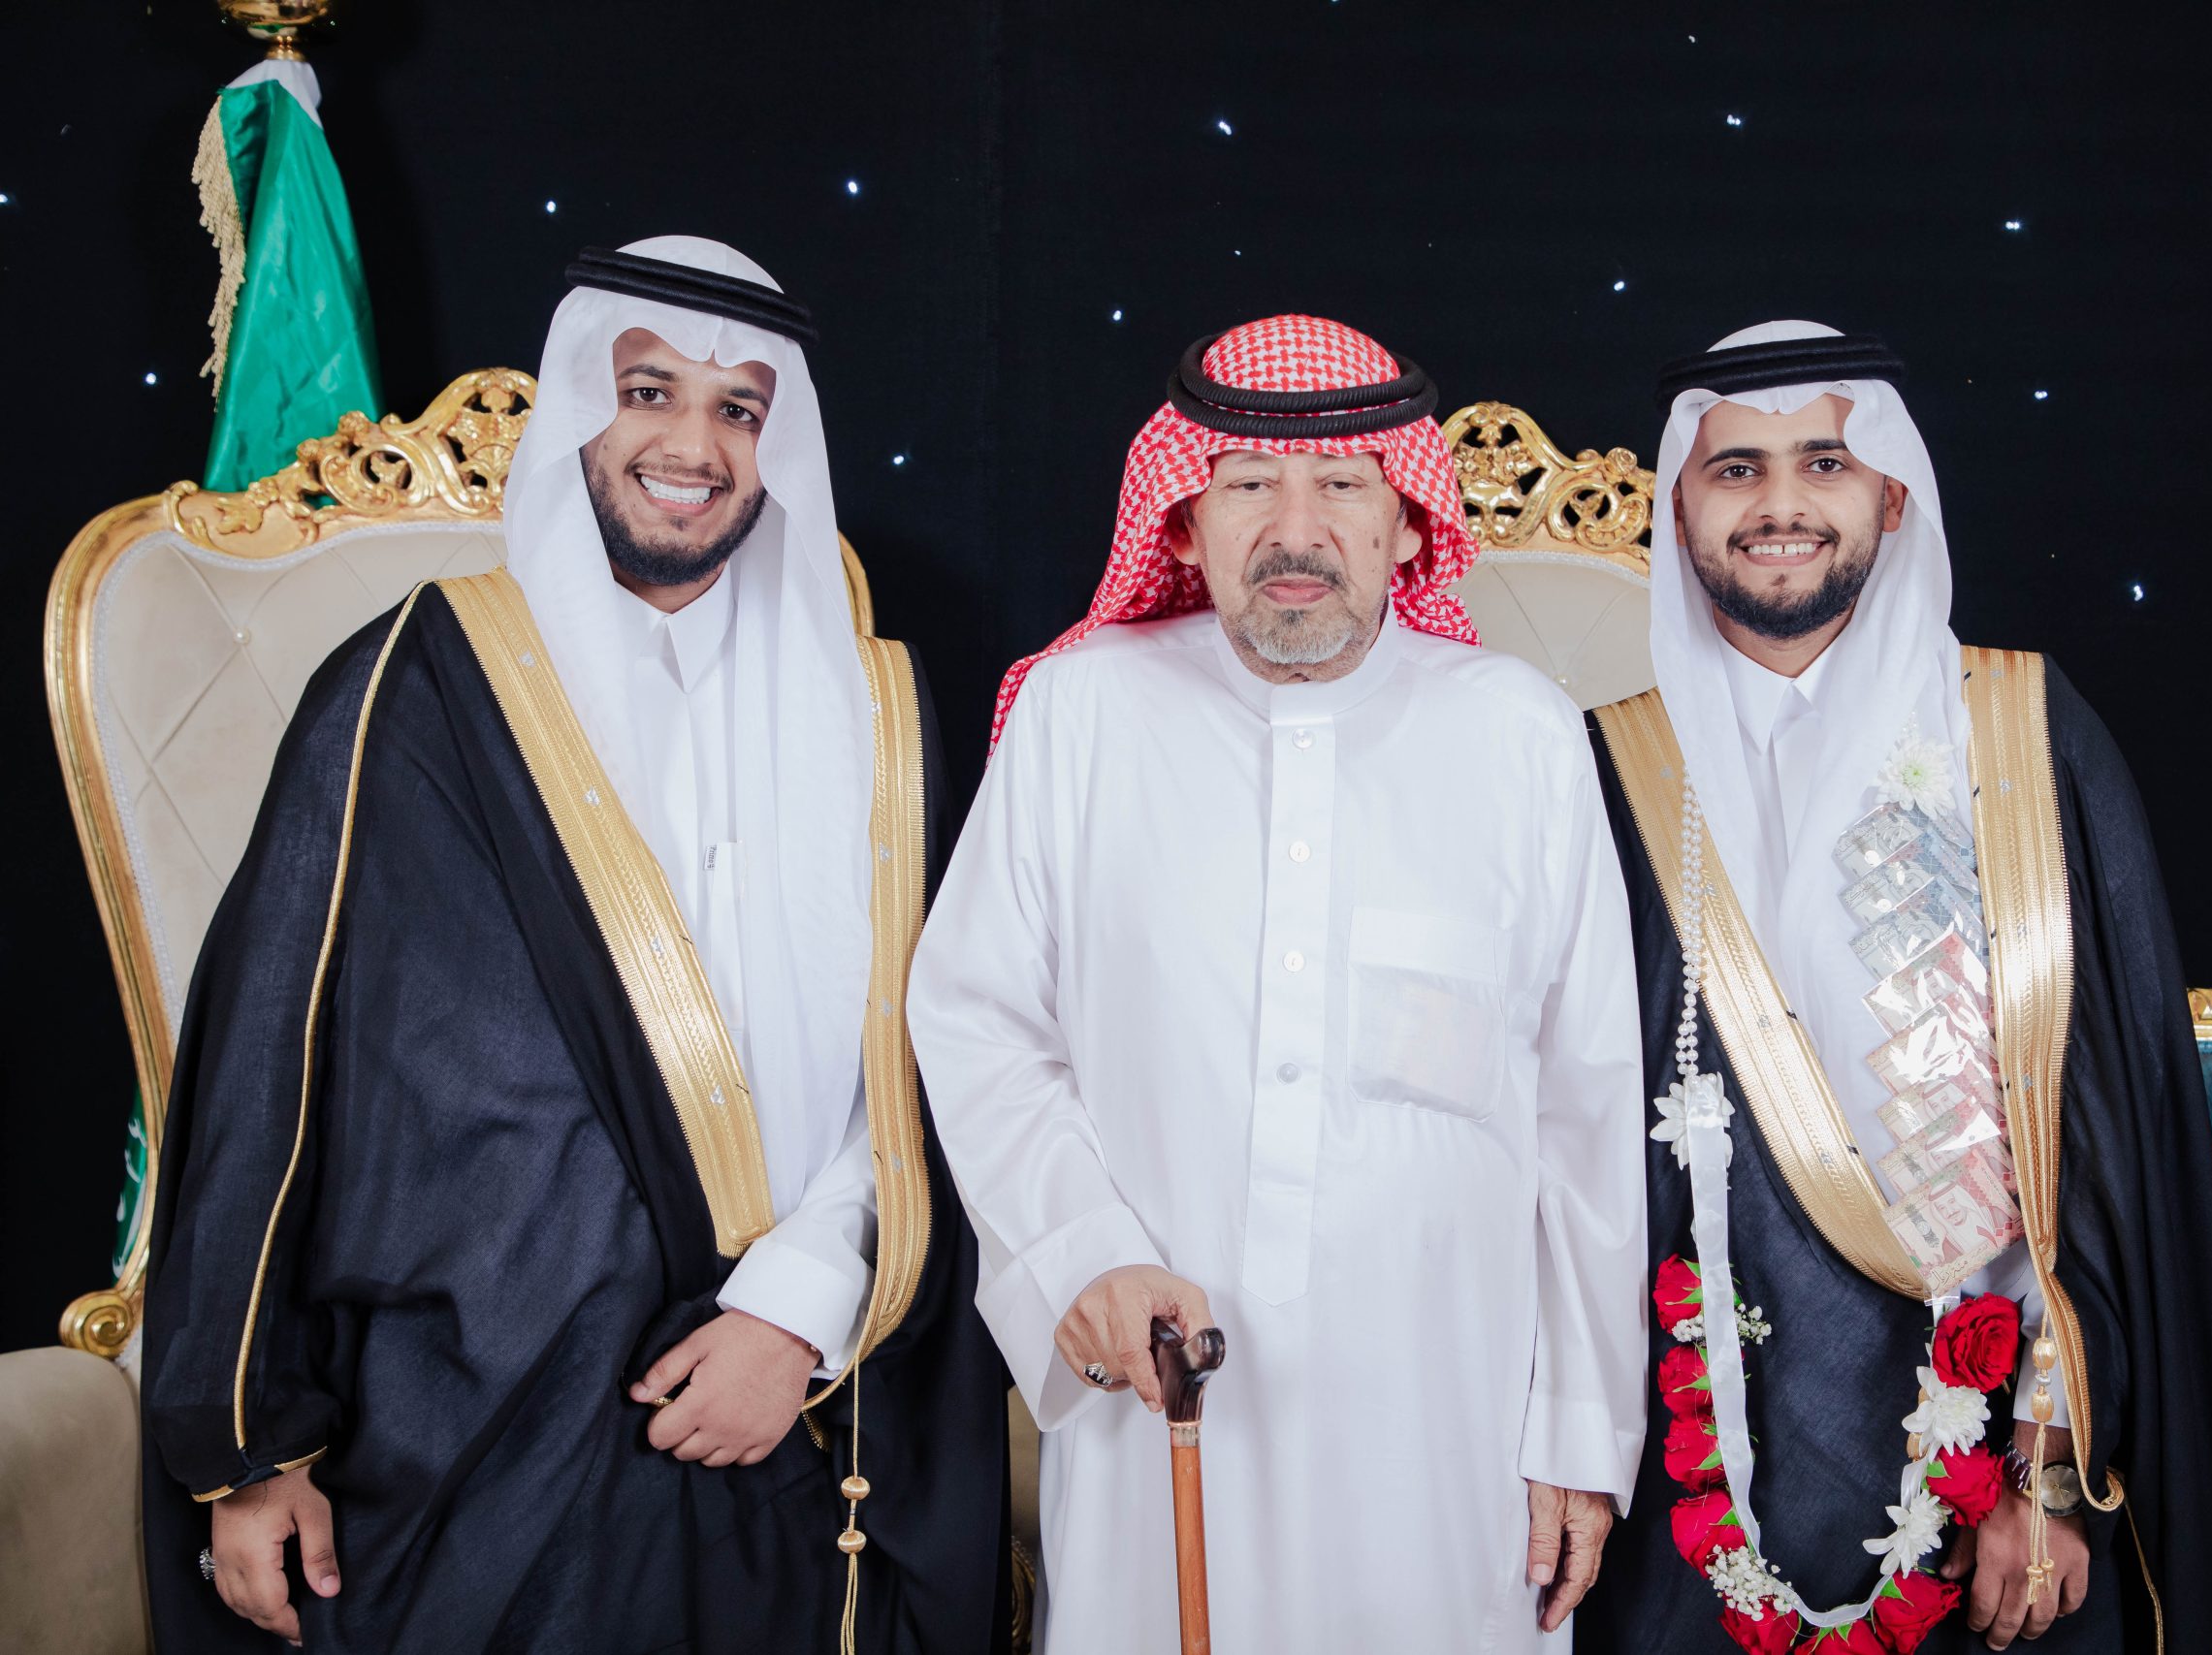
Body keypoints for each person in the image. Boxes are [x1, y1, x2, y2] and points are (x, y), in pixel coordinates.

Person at [141, 237, 1010, 1653]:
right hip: (474, 1424)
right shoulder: (409, 686)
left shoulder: (880, 716)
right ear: (577, 415)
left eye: (738, 409)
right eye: (648, 391)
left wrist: (800, 1310)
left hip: (796, 1412)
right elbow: (264, 1067)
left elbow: (930, 1065)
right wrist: (247, 1443)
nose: (693, 446)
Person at [908, 314, 1649, 1651]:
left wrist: (1580, 1432)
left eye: (1343, 486)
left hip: (1451, 1432)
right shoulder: (1082, 714)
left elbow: (1586, 1109)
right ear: (1185, 524)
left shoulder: (1518, 733)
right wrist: (1084, 1252)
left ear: (1408, 526)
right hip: (1160, 1397)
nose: (1294, 530)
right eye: (1248, 483)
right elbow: (977, 1017)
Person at [1575, 323, 2212, 1653]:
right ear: (1680, 505)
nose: (1781, 504)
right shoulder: (1605, 775)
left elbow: (2101, 1146)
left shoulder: (2020, 735)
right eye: (1736, 469)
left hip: (1993, 1474)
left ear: (1891, 495)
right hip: (1691, 1471)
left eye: (1824, 462)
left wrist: (2047, 1472)